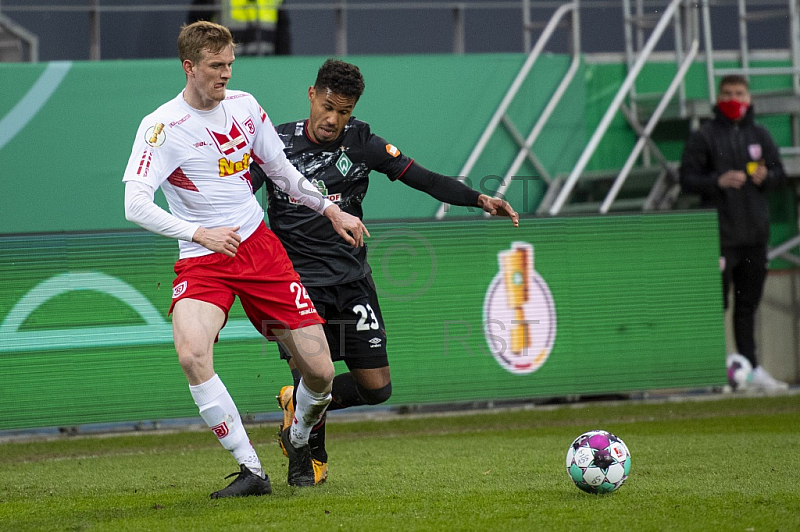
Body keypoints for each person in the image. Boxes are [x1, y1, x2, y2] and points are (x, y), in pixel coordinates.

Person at [122, 22, 368, 497]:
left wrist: (331, 209)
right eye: (216, 66)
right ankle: (251, 470)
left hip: (259, 250)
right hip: (202, 255)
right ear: (189, 67)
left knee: (320, 373)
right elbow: (135, 204)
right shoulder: (161, 128)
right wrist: (200, 234)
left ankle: (298, 439)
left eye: (230, 64)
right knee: (192, 353)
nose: (226, 75)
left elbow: (281, 172)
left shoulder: (245, 107)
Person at [250, 58, 520, 485]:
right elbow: (236, 194)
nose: (333, 119)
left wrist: (479, 199)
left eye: (344, 111)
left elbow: (423, 178)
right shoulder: (273, 144)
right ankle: (308, 463)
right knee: (312, 377)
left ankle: (295, 403)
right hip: (297, 284)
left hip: (352, 282)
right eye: (328, 106)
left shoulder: (361, 142)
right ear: (311, 95)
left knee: (377, 389)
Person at [679, 74, 789, 392]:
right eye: (727, 93)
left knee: (747, 306)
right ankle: (715, 371)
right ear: (718, 96)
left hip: (755, 236)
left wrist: (767, 176)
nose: (733, 99)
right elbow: (686, 178)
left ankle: (751, 369)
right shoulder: (705, 136)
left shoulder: (760, 135)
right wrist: (717, 180)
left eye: (739, 93)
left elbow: (780, 173)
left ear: (749, 98)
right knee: (716, 305)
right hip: (719, 237)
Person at [188, 0, 291, 56]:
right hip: (227, 63)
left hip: (266, 62)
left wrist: (283, 62)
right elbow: (197, 29)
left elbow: (282, 34)